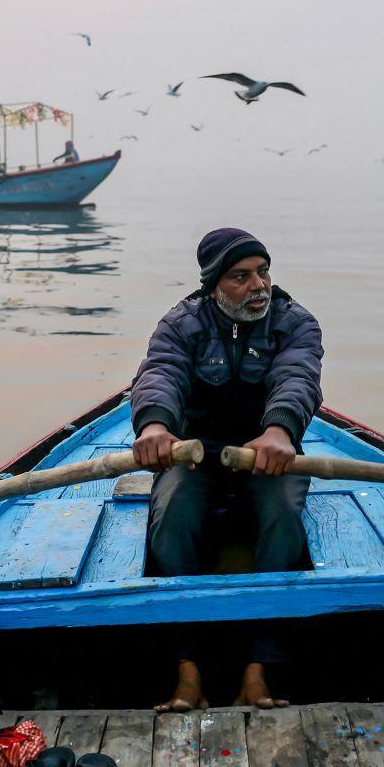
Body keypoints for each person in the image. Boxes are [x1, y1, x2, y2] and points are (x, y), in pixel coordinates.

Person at [131, 228, 323, 713]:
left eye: (263, 272)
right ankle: (187, 671)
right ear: (214, 284)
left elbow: (297, 377)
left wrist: (279, 430)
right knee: (171, 514)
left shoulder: (295, 322)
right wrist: (155, 425)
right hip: (194, 454)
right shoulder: (181, 323)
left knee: (282, 516)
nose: (258, 285)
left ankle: (258, 671)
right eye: (241, 276)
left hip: (269, 455)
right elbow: (161, 373)